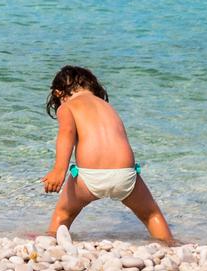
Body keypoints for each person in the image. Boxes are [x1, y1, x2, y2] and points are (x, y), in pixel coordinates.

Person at [40, 65, 174, 244]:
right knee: (151, 214)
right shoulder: (107, 107)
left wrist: (59, 170)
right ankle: (169, 246)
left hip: (89, 177)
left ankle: (49, 242)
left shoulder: (68, 107)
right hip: (126, 175)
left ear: (58, 93)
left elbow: (67, 134)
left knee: (64, 213)